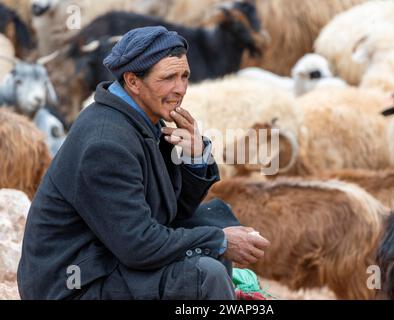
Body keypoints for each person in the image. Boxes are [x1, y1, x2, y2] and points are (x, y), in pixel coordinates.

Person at [18, 26, 270, 300]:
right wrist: (220, 242)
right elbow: (138, 245)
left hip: (106, 258)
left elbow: (175, 211)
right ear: (133, 81)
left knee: (215, 219)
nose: (180, 89)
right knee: (203, 273)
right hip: (72, 285)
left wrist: (194, 158)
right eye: (168, 78)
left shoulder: (143, 120)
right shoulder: (105, 144)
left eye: (184, 76)